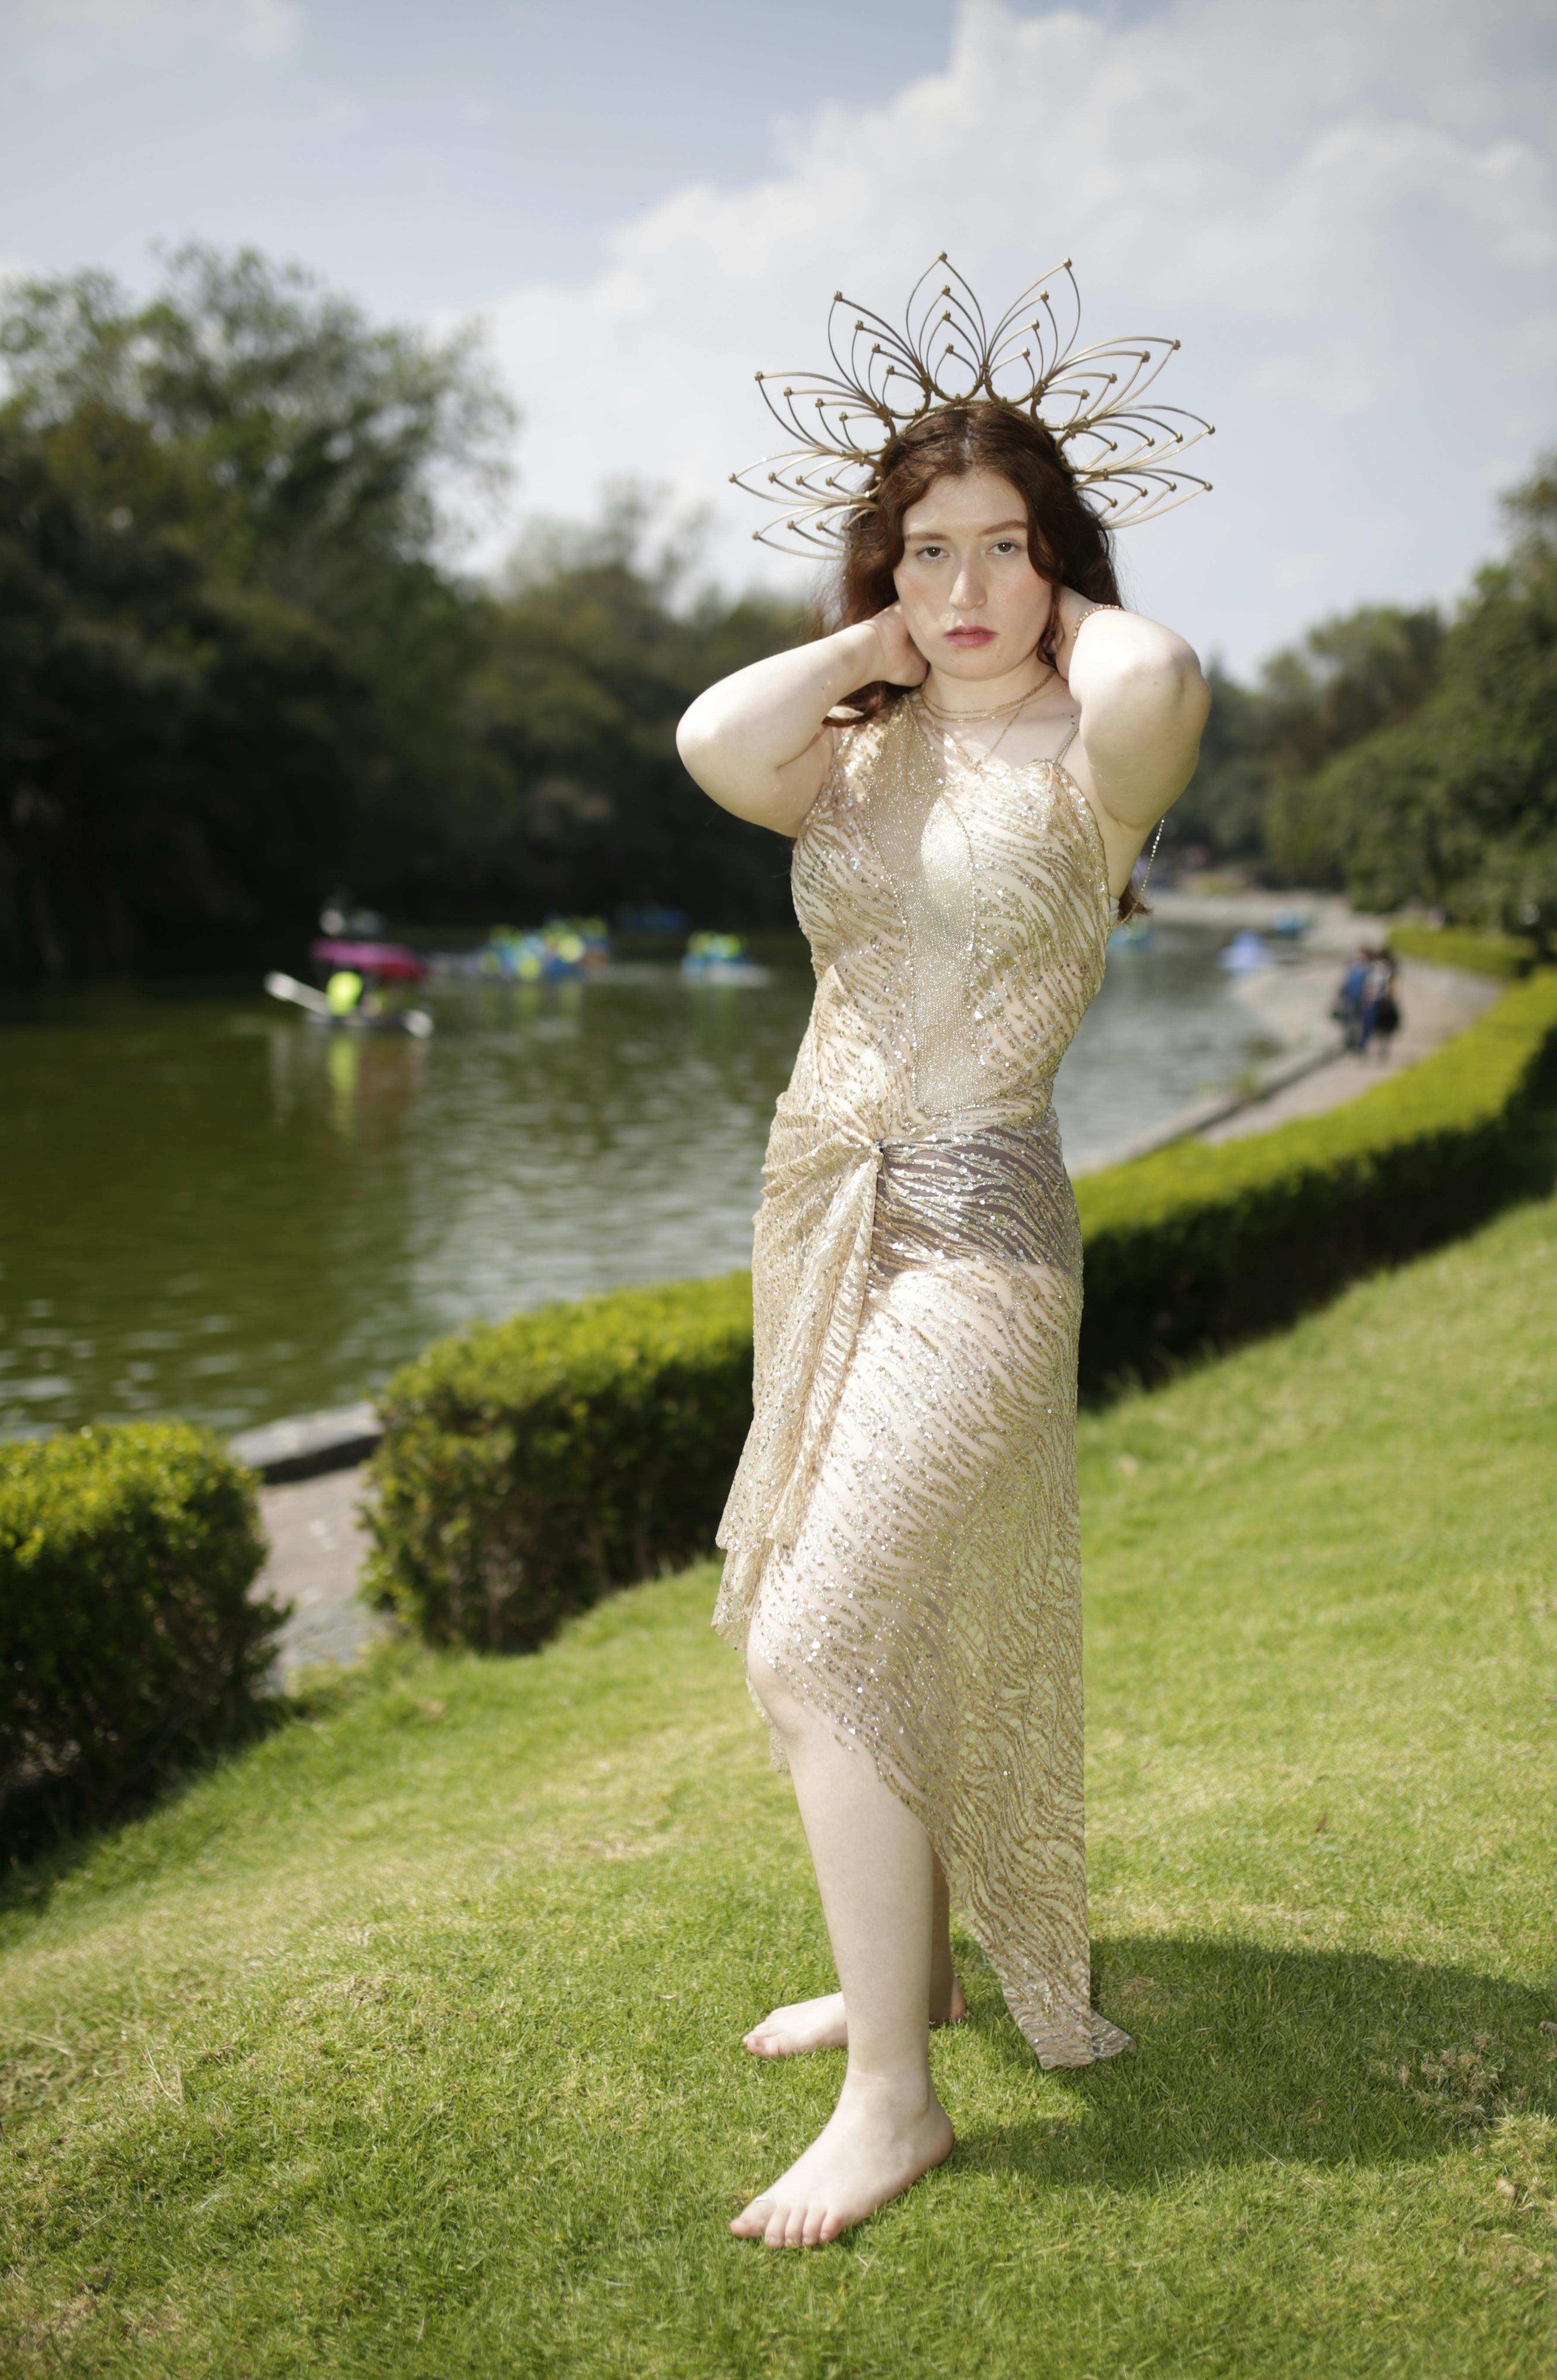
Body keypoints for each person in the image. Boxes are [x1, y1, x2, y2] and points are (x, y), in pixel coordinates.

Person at [677, 258, 1212, 2249]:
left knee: (823, 1638)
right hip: (822, 1222)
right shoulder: (865, 740)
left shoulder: (1100, 745)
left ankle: (897, 2105)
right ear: (883, 573)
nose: (970, 588)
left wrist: (1038, 572)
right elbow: (711, 737)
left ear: (1062, 569)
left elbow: (1159, 669)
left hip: (982, 1231)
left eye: (1009, 552)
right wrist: (872, 645)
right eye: (930, 553)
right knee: (838, 1631)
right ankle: (902, 1979)